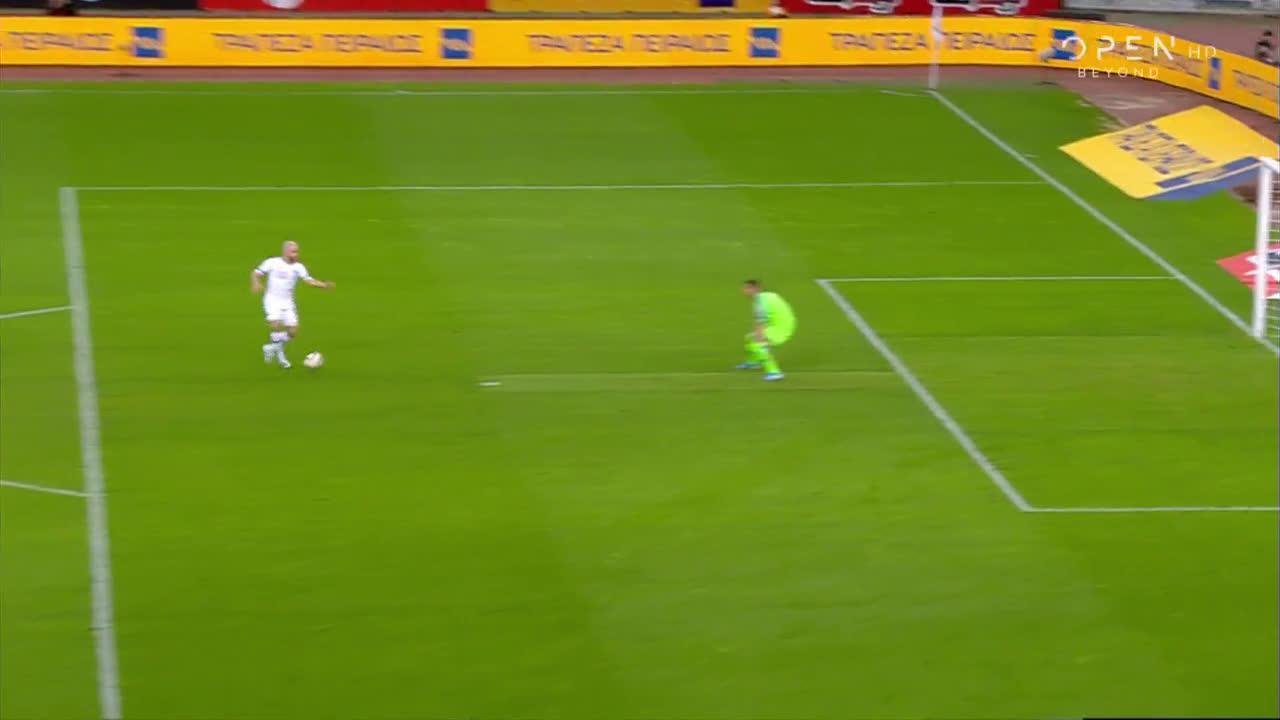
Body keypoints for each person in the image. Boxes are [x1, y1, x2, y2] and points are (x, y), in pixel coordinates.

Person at [251, 241, 334, 369]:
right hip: (272, 299)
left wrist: (324, 285)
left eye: (297, 251)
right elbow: (256, 273)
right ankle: (279, 354)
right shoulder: (272, 262)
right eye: (293, 252)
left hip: (287, 301)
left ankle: (271, 348)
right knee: (275, 325)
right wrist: (256, 283)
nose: (296, 254)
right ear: (285, 252)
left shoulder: (298, 267)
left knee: (293, 331)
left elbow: (309, 280)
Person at [736, 279, 795, 381]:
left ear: (754, 289)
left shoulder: (760, 301)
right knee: (750, 338)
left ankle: (774, 372)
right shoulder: (767, 296)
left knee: (757, 343)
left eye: (746, 288)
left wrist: (759, 337)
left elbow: (761, 321)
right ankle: (753, 362)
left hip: (781, 328)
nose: (743, 290)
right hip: (784, 323)